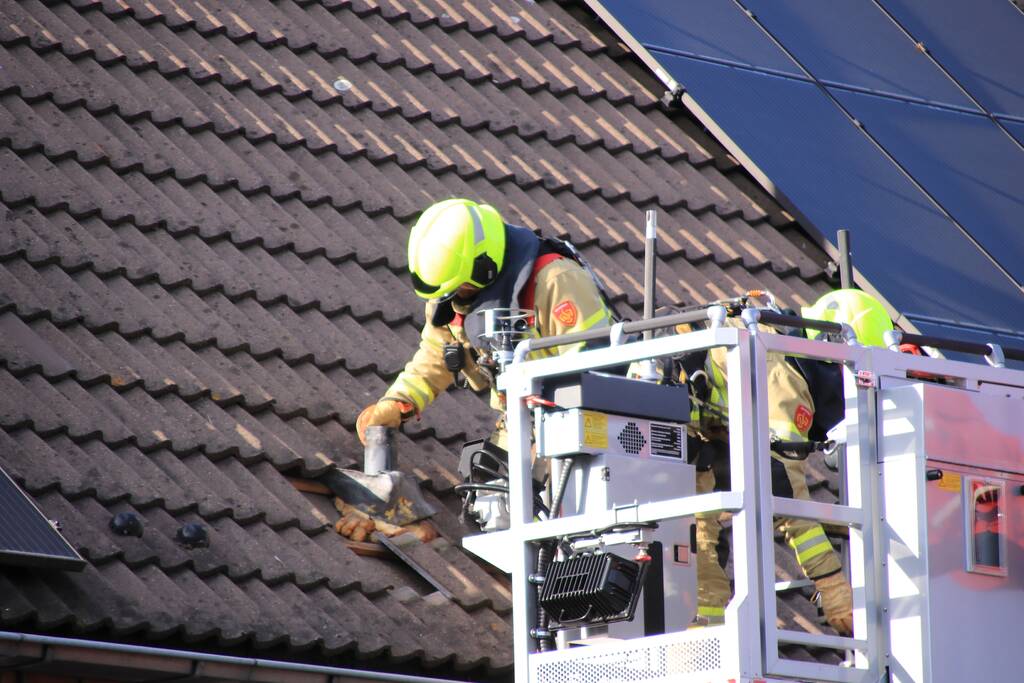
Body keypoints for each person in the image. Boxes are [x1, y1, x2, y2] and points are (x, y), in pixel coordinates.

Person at [652, 290, 893, 635]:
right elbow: (782, 484)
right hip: (664, 435)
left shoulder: (773, 349)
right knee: (696, 554)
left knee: (699, 549)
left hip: (681, 439)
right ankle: (702, 653)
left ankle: (704, 647)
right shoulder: (784, 378)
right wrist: (832, 583)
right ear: (836, 356)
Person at [356, 198, 614, 445]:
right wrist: (399, 402)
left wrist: (549, 441)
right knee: (486, 484)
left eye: (460, 288)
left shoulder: (556, 280)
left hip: (592, 424)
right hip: (523, 422)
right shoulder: (453, 290)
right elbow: (437, 353)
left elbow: (595, 368)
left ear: (484, 266)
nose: (454, 298)